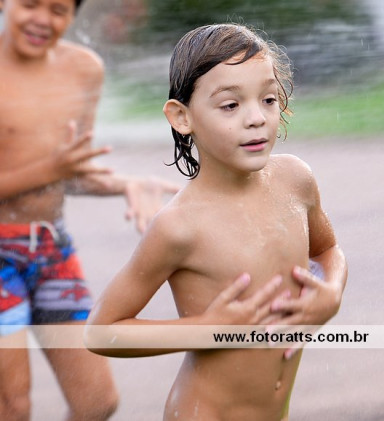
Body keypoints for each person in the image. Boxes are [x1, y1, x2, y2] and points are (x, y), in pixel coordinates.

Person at [85, 23, 348, 421]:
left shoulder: (296, 181)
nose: (256, 118)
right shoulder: (180, 226)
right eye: (230, 105)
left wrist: (331, 292)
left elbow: (327, 250)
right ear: (182, 117)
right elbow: (102, 331)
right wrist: (209, 327)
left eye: (268, 99)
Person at [0, 0, 179, 420]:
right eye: (30, 4)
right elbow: (56, 169)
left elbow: (72, 173)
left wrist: (126, 183)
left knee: (96, 402)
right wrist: (52, 169)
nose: (42, 19)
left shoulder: (83, 69)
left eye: (58, 10)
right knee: (13, 404)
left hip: (50, 248)